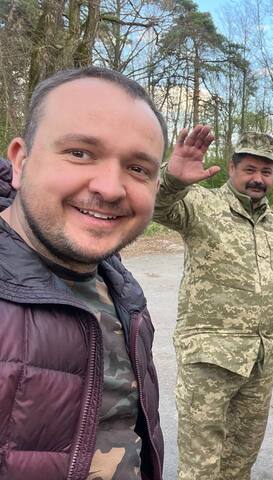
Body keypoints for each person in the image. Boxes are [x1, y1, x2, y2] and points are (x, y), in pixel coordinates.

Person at [0, 67, 166, 479]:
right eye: (80, 153)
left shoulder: (118, 287)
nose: (110, 188)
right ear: (20, 160)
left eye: (138, 168)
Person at [153, 129, 273, 480]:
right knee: (201, 468)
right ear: (232, 168)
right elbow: (155, 206)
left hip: (260, 362)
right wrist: (172, 179)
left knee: (240, 461)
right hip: (209, 362)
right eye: (250, 169)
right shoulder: (202, 204)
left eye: (266, 171)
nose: (258, 178)